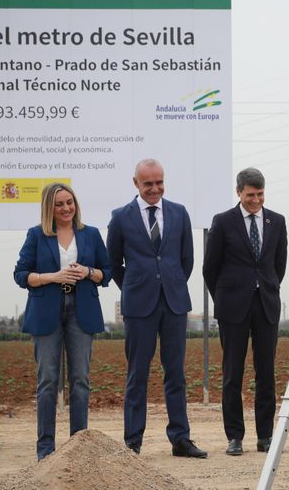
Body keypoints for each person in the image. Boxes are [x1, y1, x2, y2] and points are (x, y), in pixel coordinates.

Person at [106, 159, 207, 458]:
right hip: (139, 306)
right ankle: (132, 442)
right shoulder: (121, 217)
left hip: (174, 303)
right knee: (137, 374)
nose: (154, 188)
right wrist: (137, 286)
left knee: (175, 374)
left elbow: (186, 260)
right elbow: (113, 264)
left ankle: (180, 439)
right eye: (148, 183)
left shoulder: (179, 213)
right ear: (135, 183)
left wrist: (169, 284)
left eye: (159, 182)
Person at [13, 182, 111, 461]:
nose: (66, 208)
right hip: (46, 312)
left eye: (70, 202)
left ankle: (79, 447)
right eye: (59, 204)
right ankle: (46, 449)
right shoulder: (36, 235)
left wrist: (88, 271)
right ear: (49, 208)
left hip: (82, 311)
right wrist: (52, 277)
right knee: (47, 381)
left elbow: (107, 272)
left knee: (80, 380)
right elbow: (20, 275)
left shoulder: (91, 234)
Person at [203, 168, 288, 456]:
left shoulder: (277, 221)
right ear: (238, 192)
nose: (256, 200)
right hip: (232, 308)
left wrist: (266, 287)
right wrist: (224, 298)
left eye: (260, 194)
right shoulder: (223, 222)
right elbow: (210, 268)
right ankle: (235, 437)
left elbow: (279, 266)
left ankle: (265, 436)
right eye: (250, 195)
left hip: (266, 306)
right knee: (232, 374)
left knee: (266, 373)